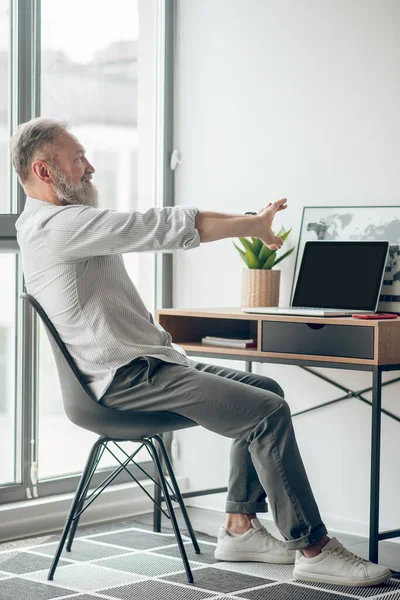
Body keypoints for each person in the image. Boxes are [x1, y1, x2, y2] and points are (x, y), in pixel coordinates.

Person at [11, 117, 391, 588]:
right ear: (45, 171)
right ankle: (312, 548)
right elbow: (157, 225)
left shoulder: (52, 224)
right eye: (78, 158)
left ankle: (239, 527)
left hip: (147, 365)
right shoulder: (58, 225)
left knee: (265, 388)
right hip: (126, 378)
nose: (89, 168)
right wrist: (250, 224)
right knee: (266, 412)